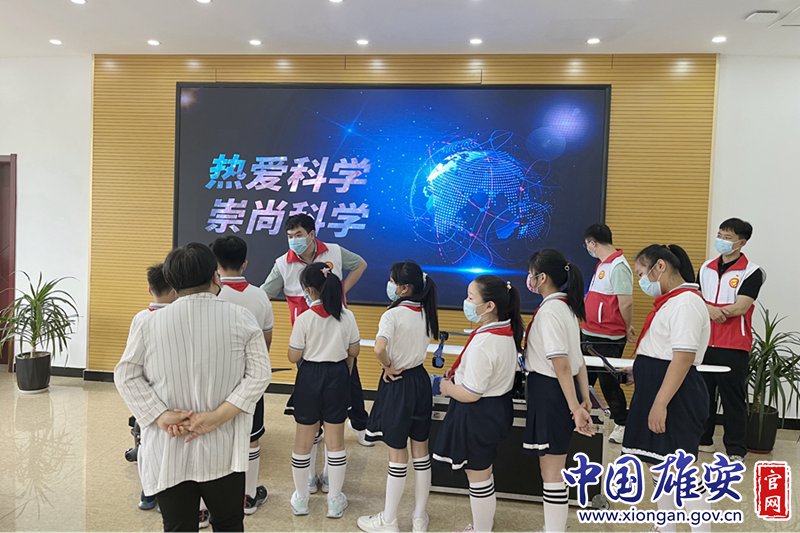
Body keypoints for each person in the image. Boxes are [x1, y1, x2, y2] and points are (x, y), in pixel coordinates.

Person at [114, 243, 271, 532]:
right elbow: (260, 376)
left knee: (177, 527)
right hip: (223, 449)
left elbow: (126, 375)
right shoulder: (241, 318)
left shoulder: (148, 323)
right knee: (229, 525)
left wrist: (161, 415)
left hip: (169, 448)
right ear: (215, 276)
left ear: (172, 283)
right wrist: (216, 417)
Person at [261, 214, 371, 497]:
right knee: (317, 413)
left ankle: (359, 426)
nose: (294, 240)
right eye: (289, 236)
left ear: (311, 234)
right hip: (308, 345)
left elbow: (361, 264)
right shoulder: (282, 264)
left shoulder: (334, 251)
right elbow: (264, 294)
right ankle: (316, 470)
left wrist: (341, 291)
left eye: (298, 234)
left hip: (335, 340)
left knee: (348, 387)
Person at [623, 244, 711, 531]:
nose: (641, 281)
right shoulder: (672, 301)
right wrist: (640, 371)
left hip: (676, 396)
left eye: (641, 274)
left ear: (659, 266)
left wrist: (660, 403)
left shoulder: (686, 302)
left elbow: (683, 357)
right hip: (659, 388)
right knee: (661, 467)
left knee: (681, 472)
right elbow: (663, 350)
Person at [433, 275, 523, 533]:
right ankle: (484, 524)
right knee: (483, 472)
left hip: (478, 414)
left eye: (471, 298)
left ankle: (482, 529)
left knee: (478, 476)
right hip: (495, 409)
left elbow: (471, 393)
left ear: (490, 306)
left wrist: (446, 387)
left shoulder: (485, 342)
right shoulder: (504, 332)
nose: (467, 302)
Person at [358, 262, 440, 533]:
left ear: (405, 288)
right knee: (421, 452)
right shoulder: (427, 312)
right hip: (420, 382)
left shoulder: (392, 315)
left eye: (392, 281)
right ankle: (419, 518)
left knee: (397, 454)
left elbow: (379, 348)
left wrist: (387, 366)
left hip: (398, 382)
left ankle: (389, 520)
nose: (390, 285)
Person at [522, 249, 594, 533]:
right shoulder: (566, 307)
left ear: (542, 278)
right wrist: (583, 397)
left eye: (531, 274)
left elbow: (562, 364)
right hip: (561, 390)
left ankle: (554, 529)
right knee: (553, 468)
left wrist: (576, 407)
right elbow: (579, 360)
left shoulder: (551, 311)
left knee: (552, 471)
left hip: (551, 391)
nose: (528, 279)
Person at [287, 262, 360, 519]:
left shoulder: (304, 318)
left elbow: (293, 356)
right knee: (335, 441)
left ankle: (301, 499)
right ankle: (334, 500)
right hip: (337, 376)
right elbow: (354, 350)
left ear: (309, 290)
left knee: (303, 441)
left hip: (309, 377)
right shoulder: (347, 316)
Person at [211, 235, 275, 515]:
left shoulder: (212, 295)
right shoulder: (260, 296)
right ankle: (248, 497)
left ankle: (204, 506)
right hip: (250, 379)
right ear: (245, 263)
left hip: (215, 378)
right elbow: (266, 340)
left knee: (211, 434)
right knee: (252, 436)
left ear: (215, 264)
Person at [697, 218, 764, 461]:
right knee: (703, 394)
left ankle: (735, 449)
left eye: (727, 238)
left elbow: (741, 306)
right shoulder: (706, 268)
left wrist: (716, 311)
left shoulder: (752, 272)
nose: (722, 241)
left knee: (732, 398)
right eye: (720, 235)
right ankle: (703, 440)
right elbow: (695, 297)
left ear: (741, 243)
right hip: (705, 341)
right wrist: (710, 310)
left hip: (733, 344)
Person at [128, 264, 177, 513]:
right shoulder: (177, 318)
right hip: (172, 390)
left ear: (150, 290)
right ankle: (168, 493)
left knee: (147, 441)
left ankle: (148, 492)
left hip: (146, 392)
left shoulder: (141, 318)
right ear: (176, 289)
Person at [581, 224, 635, 444]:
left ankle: (623, 423)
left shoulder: (618, 266)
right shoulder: (602, 264)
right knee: (583, 379)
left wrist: (627, 326)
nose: (588, 248)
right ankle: (581, 417)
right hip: (589, 331)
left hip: (608, 336)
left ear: (593, 243)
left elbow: (626, 302)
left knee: (608, 382)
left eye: (587, 244)